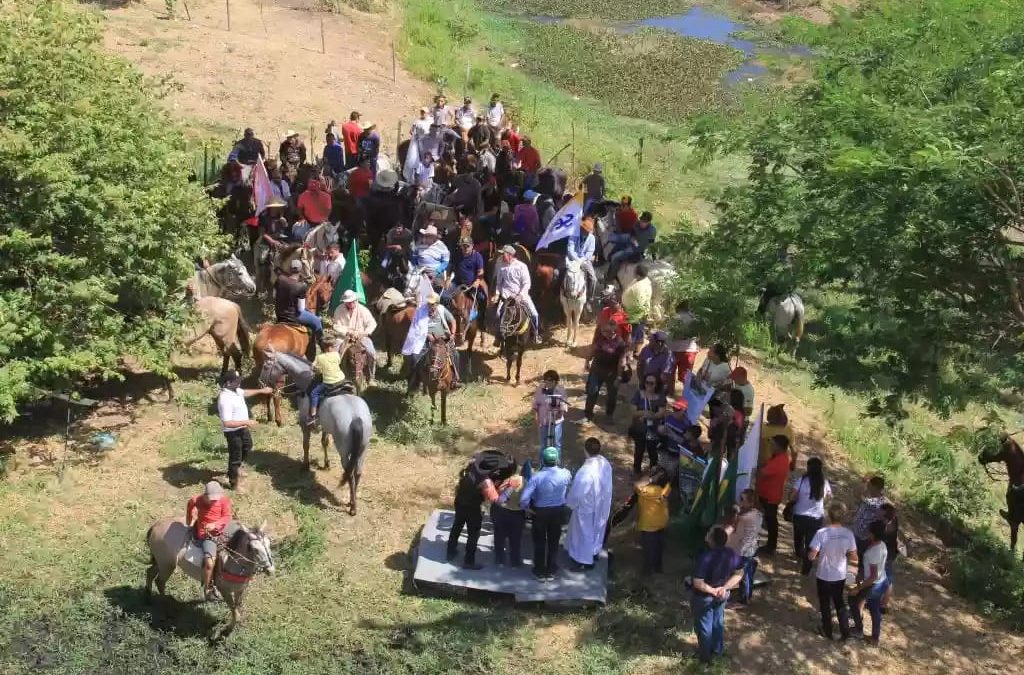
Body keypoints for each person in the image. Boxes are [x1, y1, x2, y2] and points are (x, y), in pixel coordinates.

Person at [691, 526, 744, 664]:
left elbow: (698, 582)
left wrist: (713, 590)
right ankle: (717, 650)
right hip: (722, 595)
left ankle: (705, 658)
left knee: (704, 627)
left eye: (709, 533)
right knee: (717, 622)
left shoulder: (706, 556)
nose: (707, 534)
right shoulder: (731, 553)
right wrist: (724, 588)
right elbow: (739, 573)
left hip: (704, 597)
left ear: (712, 540)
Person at [808, 503, 858, 641]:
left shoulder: (821, 533)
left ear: (829, 516)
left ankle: (827, 630)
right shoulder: (848, 534)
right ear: (843, 517)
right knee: (839, 602)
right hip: (839, 574)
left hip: (823, 573)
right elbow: (854, 556)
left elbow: (812, 555)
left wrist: (812, 557)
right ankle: (845, 632)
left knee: (824, 602)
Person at [520, 446, 572, 580]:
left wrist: (528, 509)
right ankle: (551, 570)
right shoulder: (565, 474)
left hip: (540, 513)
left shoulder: (536, 477)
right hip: (558, 512)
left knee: (539, 542)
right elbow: (570, 479)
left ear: (542, 460)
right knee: (554, 541)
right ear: (557, 460)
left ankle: (539, 571)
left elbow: (524, 499)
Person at [216, 371, 272, 490]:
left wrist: (262, 391)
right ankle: (234, 483)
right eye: (237, 380)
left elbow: (245, 393)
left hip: (242, 429)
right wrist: (246, 422)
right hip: (233, 432)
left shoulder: (236, 390)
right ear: (228, 383)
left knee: (248, 446)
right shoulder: (225, 399)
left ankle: (237, 469)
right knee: (235, 457)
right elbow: (227, 423)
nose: (239, 381)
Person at [566, 438, 614, 571]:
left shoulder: (585, 471)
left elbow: (577, 493)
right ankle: (594, 551)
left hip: (587, 507)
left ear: (585, 450)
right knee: (598, 529)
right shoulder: (604, 463)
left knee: (584, 533)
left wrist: (570, 503)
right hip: (602, 503)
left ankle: (583, 560)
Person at [446, 457, 501, 570]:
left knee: (457, 527)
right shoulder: (485, 481)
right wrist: (497, 485)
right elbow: (495, 499)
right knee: (473, 535)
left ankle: (450, 552)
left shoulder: (467, 472)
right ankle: (469, 561)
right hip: (473, 508)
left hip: (460, 504)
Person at [185, 480, 233, 601]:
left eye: (216, 498)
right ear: (205, 495)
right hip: (206, 535)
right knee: (209, 562)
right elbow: (190, 505)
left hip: (223, 529)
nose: (214, 500)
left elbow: (227, 516)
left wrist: (215, 524)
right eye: (211, 498)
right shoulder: (197, 500)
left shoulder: (224, 500)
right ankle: (207, 588)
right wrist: (188, 520)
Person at [850, 519, 890, 644]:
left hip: (874, 585)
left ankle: (859, 630)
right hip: (882, 581)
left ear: (873, 534)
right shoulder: (881, 544)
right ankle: (875, 637)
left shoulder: (874, 552)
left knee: (853, 601)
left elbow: (872, 576)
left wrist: (859, 587)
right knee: (874, 609)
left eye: (869, 531)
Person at [791, 456, 832, 575]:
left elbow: (792, 496)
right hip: (816, 518)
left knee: (798, 538)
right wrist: (823, 504)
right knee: (811, 544)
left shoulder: (801, 480)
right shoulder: (824, 483)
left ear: (808, 468)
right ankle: (806, 569)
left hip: (800, 515)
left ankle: (799, 554)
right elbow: (829, 497)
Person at [492, 244, 540, 344]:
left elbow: (527, 283)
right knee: (497, 315)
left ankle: (535, 334)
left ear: (510, 255)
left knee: (534, 314)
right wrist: (497, 294)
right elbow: (499, 283)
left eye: (503, 254)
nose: (501, 256)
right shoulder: (501, 267)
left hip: (521, 296)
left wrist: (520, 295)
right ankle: (498, 337)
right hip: (506, 297)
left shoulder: (522, 266)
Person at [581, 320, 627, 424]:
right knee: (592, 391)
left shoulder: (620, 343)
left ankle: (609, 415)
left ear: (614, 332)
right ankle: (588, 414)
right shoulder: (600, 338)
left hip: (612, 372)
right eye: (603, 331)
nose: (603, 332)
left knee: (612, 395)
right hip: (597, 369)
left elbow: (622, 361)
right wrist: (587, 361)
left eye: (606, 331)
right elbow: (592, 350)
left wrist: (619, 377)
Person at [276, 259, 322, 355]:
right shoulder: (301, 286)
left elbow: (274, 295)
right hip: (294, 316)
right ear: (300, 270)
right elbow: (301, 309)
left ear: (290, 269)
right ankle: (321, 347)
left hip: (280, 313)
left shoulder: (280, 279)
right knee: (317, 321)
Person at [331, 289, 378, 382]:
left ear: (356, 300)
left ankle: (371, 377)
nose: (350, 303)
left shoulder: (363, 310)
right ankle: (334, 375)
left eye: (352, 301)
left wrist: (364, 333)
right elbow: (336, 326)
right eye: (348, 302)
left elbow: (372, 324)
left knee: (372, 353)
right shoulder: (339, 309)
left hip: (361, 336)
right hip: (344, 336)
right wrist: (347, 332)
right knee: (334, 353)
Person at [755, 435, 791, 556]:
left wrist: (759, 467)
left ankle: (771, 546)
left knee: (771, 521)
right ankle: (770, 545)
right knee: (769, 520)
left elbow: (762, 471)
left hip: (770, 496)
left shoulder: (779, 461)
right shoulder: (780, 457)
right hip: (768, 493)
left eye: (773, 445)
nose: (771, 447)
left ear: (780, 447)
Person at [726, 489, 763, 604]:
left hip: (743, 550)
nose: (740, 501)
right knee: (748, 574)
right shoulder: (758, 514)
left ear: (750, 503)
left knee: (743, 575)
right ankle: (746, 595)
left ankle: (743, 600)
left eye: (742, 499)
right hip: (751, 548)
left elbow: (734, 527)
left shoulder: (744, 517)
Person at [630, 373, 667, 474]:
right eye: (647, 383)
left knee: (652, 450)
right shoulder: (639, 394)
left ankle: (653, 471)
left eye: (651, 383)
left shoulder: (660, 397)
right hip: (640, 428)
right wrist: (643, 413)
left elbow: (661, 413)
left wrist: (651, 416)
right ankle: (636, 470)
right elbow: (633, 412)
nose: (648, 385)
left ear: (656, 384)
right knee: (639, 449)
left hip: (653, 428)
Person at [851, 476, 887, 575]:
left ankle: (861, 585)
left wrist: (863, 483)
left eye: (869, 486)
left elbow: (856, 494)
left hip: (864, 538)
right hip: (858, 533)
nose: (868, 487)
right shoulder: (873, 500)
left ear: (874, 487)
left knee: (863, 564)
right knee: (856, 560)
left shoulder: (877, 503)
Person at [491, 468, 526, 567]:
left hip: (501, 511)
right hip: (517, 513)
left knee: (499, 536)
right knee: (515, 538)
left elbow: (494, 496)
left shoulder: (502, 480)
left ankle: (499, 559)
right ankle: (514, 561)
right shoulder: (524, 481)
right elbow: (527, 497)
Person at [308, 338, 345, 424]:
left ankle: (313, 415)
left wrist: (317, 369)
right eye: (334, 346)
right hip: (341, 379)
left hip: (329, 383)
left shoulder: (319, 357)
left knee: (314, 393)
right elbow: (338, 363)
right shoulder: (336, 354)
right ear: (331, 347)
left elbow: (313, 367)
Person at [533, 370, 568, 455]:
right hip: (543, 422)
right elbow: (535, 404)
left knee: (557, 444)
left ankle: (556, 465)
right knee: (543, 445)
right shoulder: (540, 389)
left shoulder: (561, 391)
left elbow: (564, 406)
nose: (548, 383)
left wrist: (560, 411)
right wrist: (536, 417)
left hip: (556, 422)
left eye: (551, 381)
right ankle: (542, 465)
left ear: (555, 381)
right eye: (546, 380)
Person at [566, 216, 598, 307]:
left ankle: (589, 299)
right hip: (572, 259)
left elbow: (589, 253)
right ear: (581, 229)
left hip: (585, 260)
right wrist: (577, 260)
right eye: (585, 231)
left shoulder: (592, 238)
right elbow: (570, 250)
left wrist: (581, 261)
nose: (586, 233)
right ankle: (559, 295)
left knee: (593, 279)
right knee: (560, 274)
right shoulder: (574, 235)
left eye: (588, 232)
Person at [621, 264, 652, 351]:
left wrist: (630, 315)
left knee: (636, 336)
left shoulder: (640, 287)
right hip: (637, 313)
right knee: (637, 333)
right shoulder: (642, 280)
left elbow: (639, 304)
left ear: (638, 274)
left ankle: (635, 353)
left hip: (637, 315)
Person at [637, 330, 676, 395]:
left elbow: (665, 376)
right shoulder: (646, 349)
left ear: (659, 343)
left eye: (651, 340)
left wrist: (653, 387)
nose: (649, 342)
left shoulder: (668, 355)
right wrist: (641, 381)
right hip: (645, 382)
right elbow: (640, 365)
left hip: (658, 386)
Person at [670, 301, 700, 383]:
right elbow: (698, 335)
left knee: (670, 374)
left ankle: (669, 392)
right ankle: (686, 395)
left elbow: (669, 333)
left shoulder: (675, 318)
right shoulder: (694, 319)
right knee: (686, 377)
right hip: (690, 350)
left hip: (674, 349)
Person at [879, 503, 901, 610]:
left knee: (883, 577)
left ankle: (879, 602)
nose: (879, 514)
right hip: (891, 552)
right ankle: (884, 604)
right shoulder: (894, 519)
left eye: (881, 513)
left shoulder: (886, 526)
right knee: (888, 578)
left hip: (885, 553)